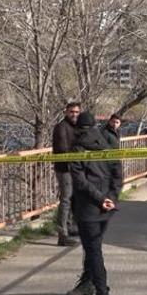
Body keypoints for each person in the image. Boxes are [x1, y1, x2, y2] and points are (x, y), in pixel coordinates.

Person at [65, 112, 123, 295]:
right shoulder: (107, 143)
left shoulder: (77, 148)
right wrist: (111, 198)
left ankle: (102, 294)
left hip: (88, 208)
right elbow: (118, 174)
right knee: (94, 248)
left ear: (78, 128)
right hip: (107, 208)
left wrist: (100, 199)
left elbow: (80, 181)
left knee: (93, 251)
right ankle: (90, 284)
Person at [52, 101, 82, 247]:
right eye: (71, 112)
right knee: (66, 200)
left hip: (75, 168)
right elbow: (62, 148)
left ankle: (69, 227)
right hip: (64, 169)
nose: (74, 114)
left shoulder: (77, 127)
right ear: (66, 112)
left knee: (74, 199)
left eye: (76, 112)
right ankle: (62, 235)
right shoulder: (61, 127)